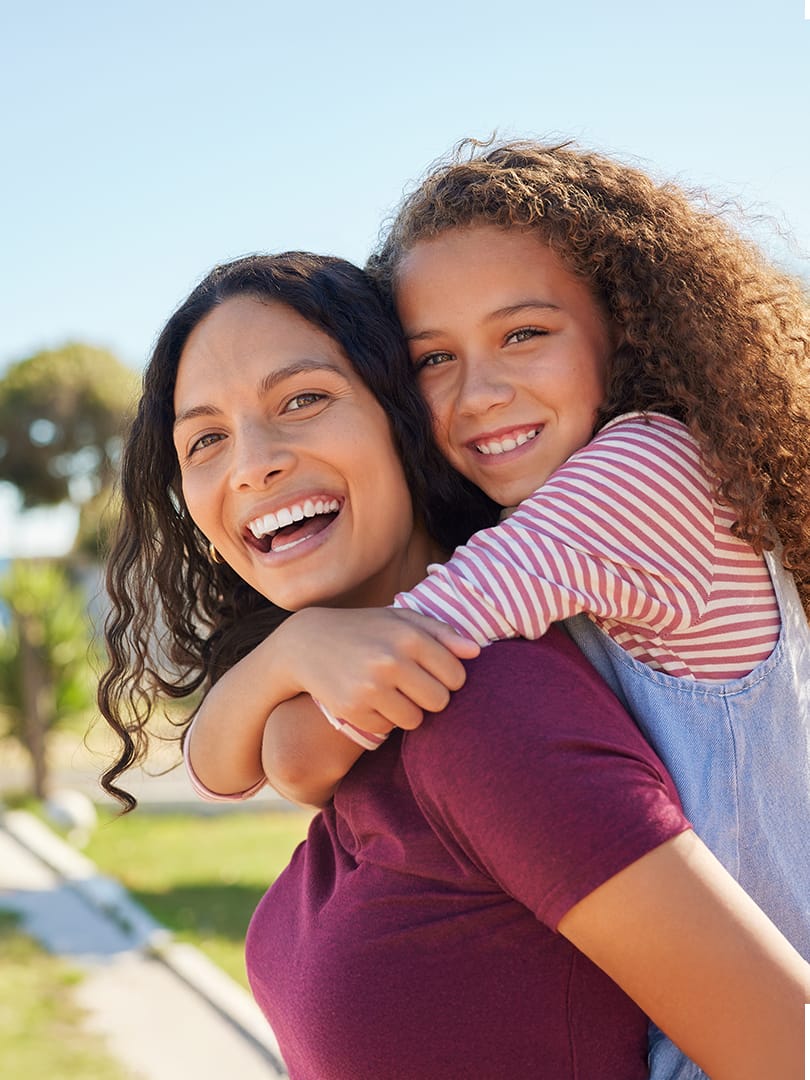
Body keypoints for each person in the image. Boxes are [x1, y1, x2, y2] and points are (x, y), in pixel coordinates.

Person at [98, 252, 810, 1079]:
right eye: (206, 439)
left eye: (304, 399)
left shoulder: (482, 707)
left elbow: (785, 1047)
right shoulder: (368, 710)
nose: (253, 462)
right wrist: (292, 652)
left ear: (405, 415)